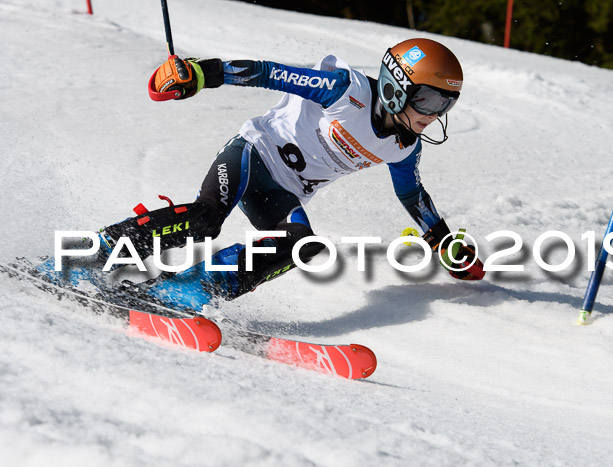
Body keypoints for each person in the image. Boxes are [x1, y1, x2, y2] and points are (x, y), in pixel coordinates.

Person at [94, 38, 485, 311]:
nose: (435, 114)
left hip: (281, 192)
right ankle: (101, 249)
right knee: (206, 218)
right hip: (252, 155)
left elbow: (413, 196)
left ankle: (184, 290)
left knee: (303, 245)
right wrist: (200, 73)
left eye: (446, 103)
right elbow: (270, 73)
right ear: (398, 87)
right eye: (430, 99)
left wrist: (445, 245)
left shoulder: (403, 146)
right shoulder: (343, 90)